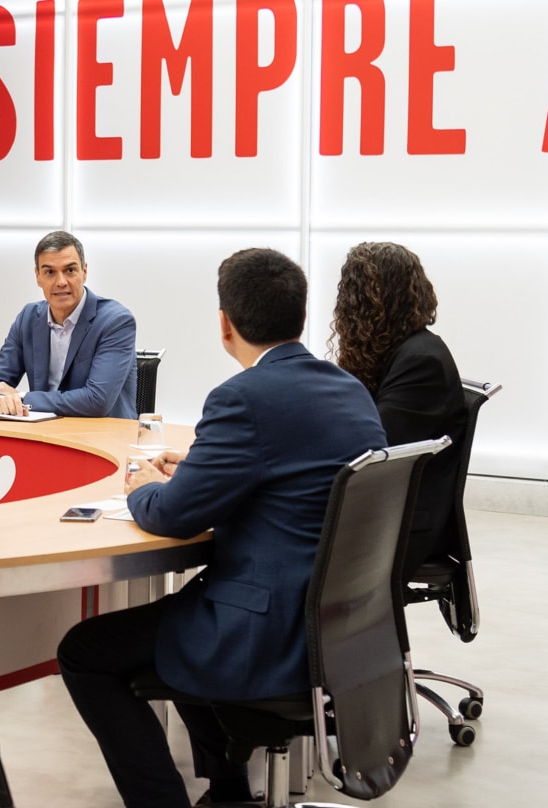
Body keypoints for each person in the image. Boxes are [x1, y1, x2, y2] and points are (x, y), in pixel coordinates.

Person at [56, 248, 384, 807]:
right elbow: (290, 478)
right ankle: (228, 789)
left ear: (225, 323)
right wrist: (205, 470)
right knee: (181, 616)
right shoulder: (348, 389)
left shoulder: (242, 398)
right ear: (299, 317)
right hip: (341, 630)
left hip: (268, 634)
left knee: (86, 652)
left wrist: (142, 490)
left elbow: (170, 515)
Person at [331, 241, 468, 577]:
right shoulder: (399, 353)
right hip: (386, 512)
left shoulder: (421, 361)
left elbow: (369, 451)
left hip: (401, 528)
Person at [0, 230, 138, 418]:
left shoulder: (115, 321)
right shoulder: (28, 318)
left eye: (70, 270)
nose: (61, 282)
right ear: (38, 276)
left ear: (84, 272)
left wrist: (20, 397)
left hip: (103, 439)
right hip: (48, 436)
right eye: (50, 272)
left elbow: (97, 401)